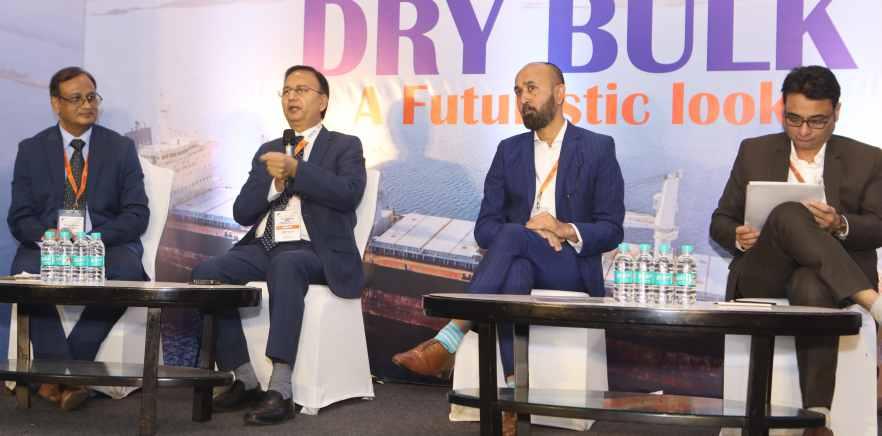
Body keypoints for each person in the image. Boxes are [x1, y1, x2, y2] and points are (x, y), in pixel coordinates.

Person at [392, 62, 625, 434]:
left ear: (560, 93)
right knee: (516, 265)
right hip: (520, 259)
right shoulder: (508, 151)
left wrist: (561, 228)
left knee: (514, 238)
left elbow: (612, 229)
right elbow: (485, 228)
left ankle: (450, 337)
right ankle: (515, 397)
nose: (523, 98)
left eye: (532, 88)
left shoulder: (597, 148)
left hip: (570, 267)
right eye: (518, 91)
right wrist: (528, 233)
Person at [710, 65, 882, 436]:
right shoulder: (754, 151)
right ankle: (872, 301)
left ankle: (817, 417)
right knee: (789, 213)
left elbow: (878, 225)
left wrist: (839, 224)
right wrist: (738, 236)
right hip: (763, 273)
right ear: (782, 109)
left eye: (817, 121)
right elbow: (720, 220)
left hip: (824, 280)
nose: (803, 131)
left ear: (836, 112)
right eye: (794, 119)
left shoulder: (867, 158)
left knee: (810, 284)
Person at [191, 65, 366, 426]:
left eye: (301, 90)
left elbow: (348, 194)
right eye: (286, 90)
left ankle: (281, 389)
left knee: (287, 263)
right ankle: (243, 377)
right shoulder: (268, 150)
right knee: (206, 272)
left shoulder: (344, 146)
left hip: (315, 250)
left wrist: (297, 170)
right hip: (263, 247)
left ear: (323, 101)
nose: (291, 97)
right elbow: (242, 212)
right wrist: (275, 184)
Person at [7, 66, 150, 411]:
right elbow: (19, 216)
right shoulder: (31, 149)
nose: (87, 105)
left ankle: (58, 375)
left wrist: (92, 237)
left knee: (129, 272)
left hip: (102, 243)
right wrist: (47, 236)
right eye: (76, 98)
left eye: (91, 97)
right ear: (56, 104)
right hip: (49, 244)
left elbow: (137, 214)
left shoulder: (120, 148)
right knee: (24, 276)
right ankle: (72, 378)